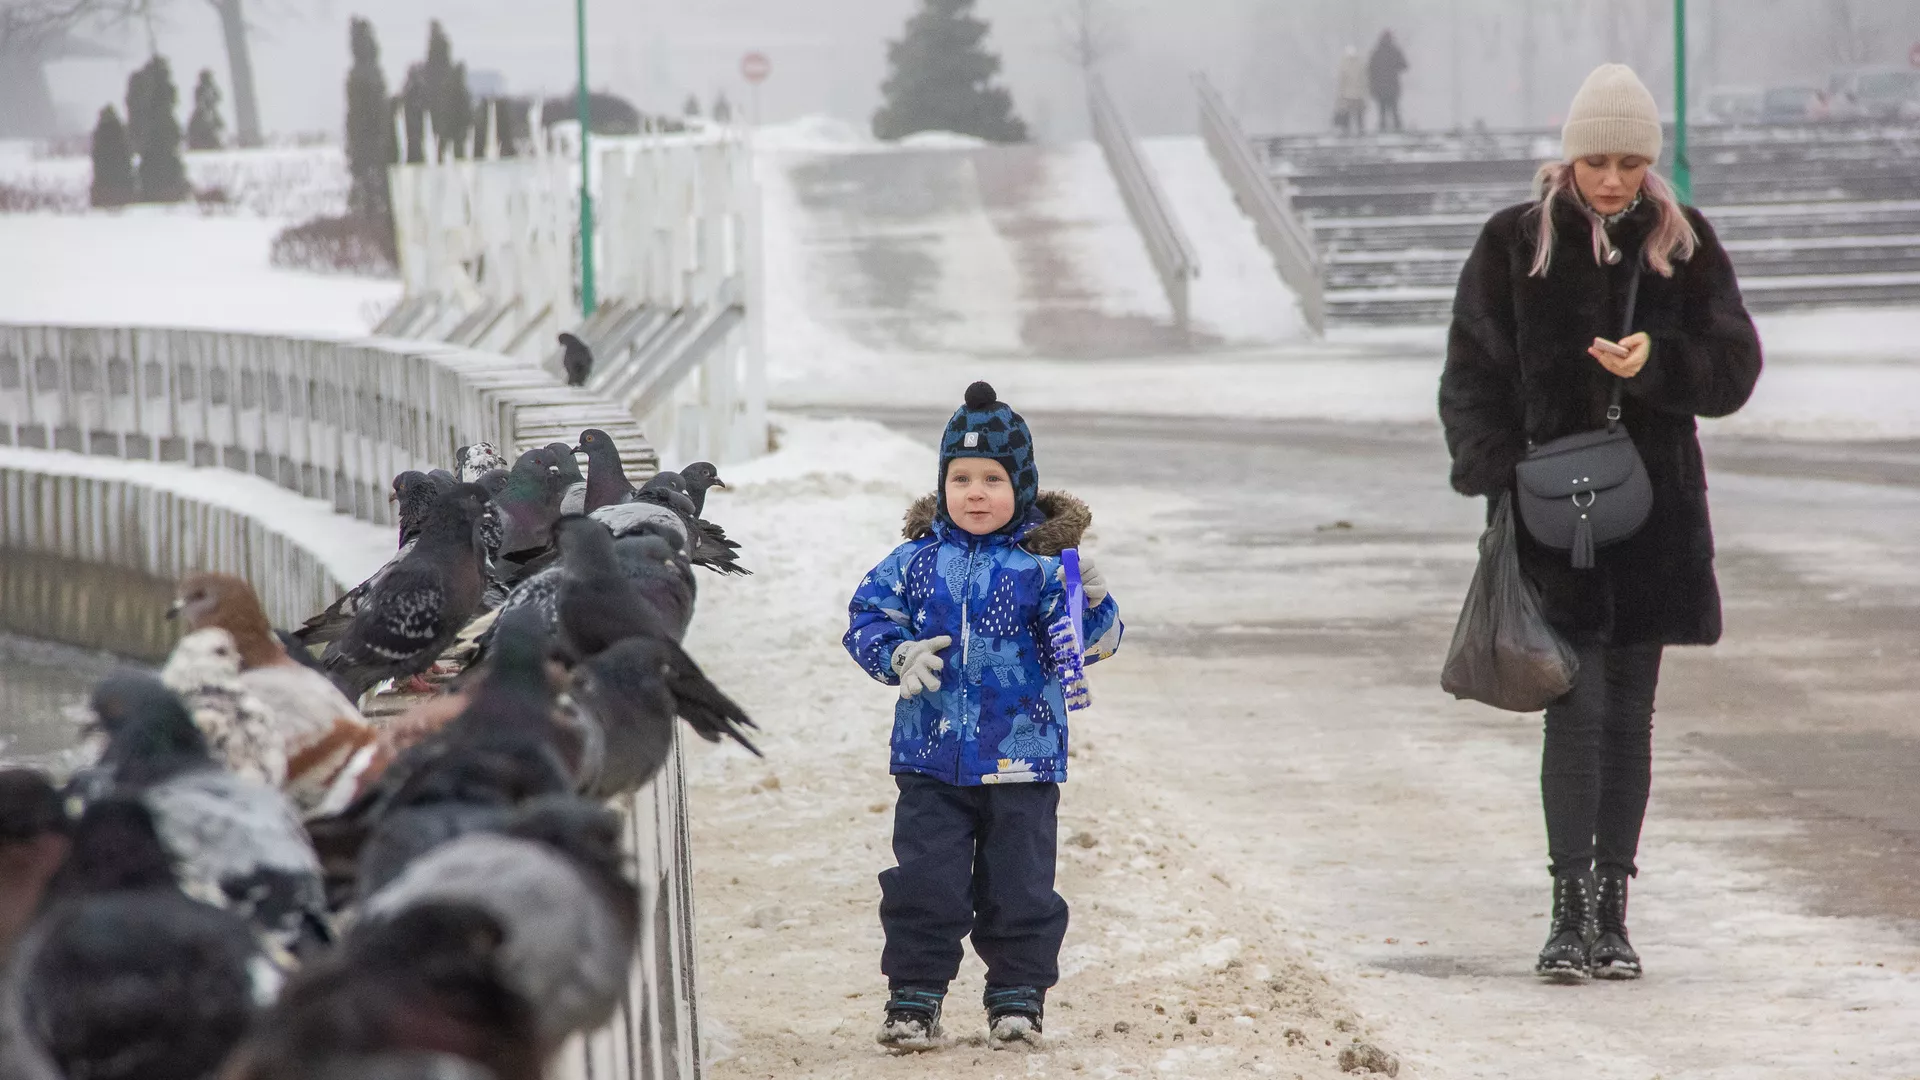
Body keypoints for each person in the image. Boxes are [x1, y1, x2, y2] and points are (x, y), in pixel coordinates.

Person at [1438, 64, 1762, 982]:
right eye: (1596, 160)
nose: (1612, 179)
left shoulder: (1683, 243)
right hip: (1555, 518)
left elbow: (1735, 368)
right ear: (1567, 157)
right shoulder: (1513, 243)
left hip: (1655, 516)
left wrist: (1657, 361)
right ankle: (1566, 913)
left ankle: (1614, 914)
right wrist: (1504, 476)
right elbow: (1471, 379)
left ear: (1649, 164)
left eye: (1628, 161)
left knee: (1630, 718)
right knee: (1572, 711)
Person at [845, 381, 1122, 1051]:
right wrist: (897, 655)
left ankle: (1017, 997)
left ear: (1020, 487)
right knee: (924, 883)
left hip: (1022, 763)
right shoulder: (913, 563)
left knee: (1021, 887)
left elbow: (1089, 650)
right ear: (941, 485)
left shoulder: (1043, 570)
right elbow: (866, 618)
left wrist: (1094, 601)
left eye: (992, 479)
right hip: (930, 759)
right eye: (960, 477)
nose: (975, 492)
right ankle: (913, 998)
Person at [1368, 29, 1409, 133]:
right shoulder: (1394, 51)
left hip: (1380, 88)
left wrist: (1372, 86)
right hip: (1392, 87)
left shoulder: (1376, 53)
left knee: (1382, 111)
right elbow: (1404, 65)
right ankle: (1398, 130)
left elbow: (1370, 70)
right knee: (1394, 110)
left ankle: (1382, 130)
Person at [1336, 46, 1369, 135]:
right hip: (1358, 94)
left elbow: (1342, 81)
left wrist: (1340, 94)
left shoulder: (1344, 65)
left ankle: (1346, 131)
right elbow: (1364, 80)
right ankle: (1361, 130)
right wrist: (1365, 92)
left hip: (1347, 95)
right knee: (1359, 114)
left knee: (1347, 114)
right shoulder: (1360, 64)